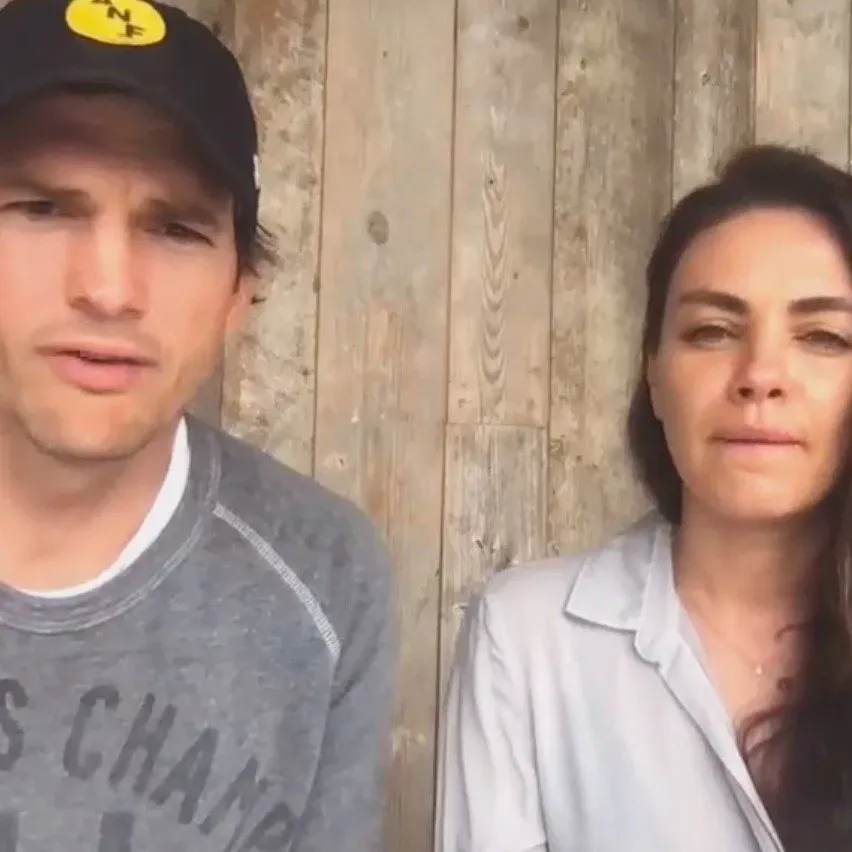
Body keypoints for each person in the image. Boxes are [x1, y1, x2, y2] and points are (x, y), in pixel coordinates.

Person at [0, 1, 397, 850]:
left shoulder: (325, 579)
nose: (109, 290)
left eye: (175, 228)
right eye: (43, 208)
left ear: (237, 295)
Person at [437, 143, 852, 852]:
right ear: (653, 376)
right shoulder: (528, 640)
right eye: (712, 332)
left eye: (822, 337)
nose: (761, 376)